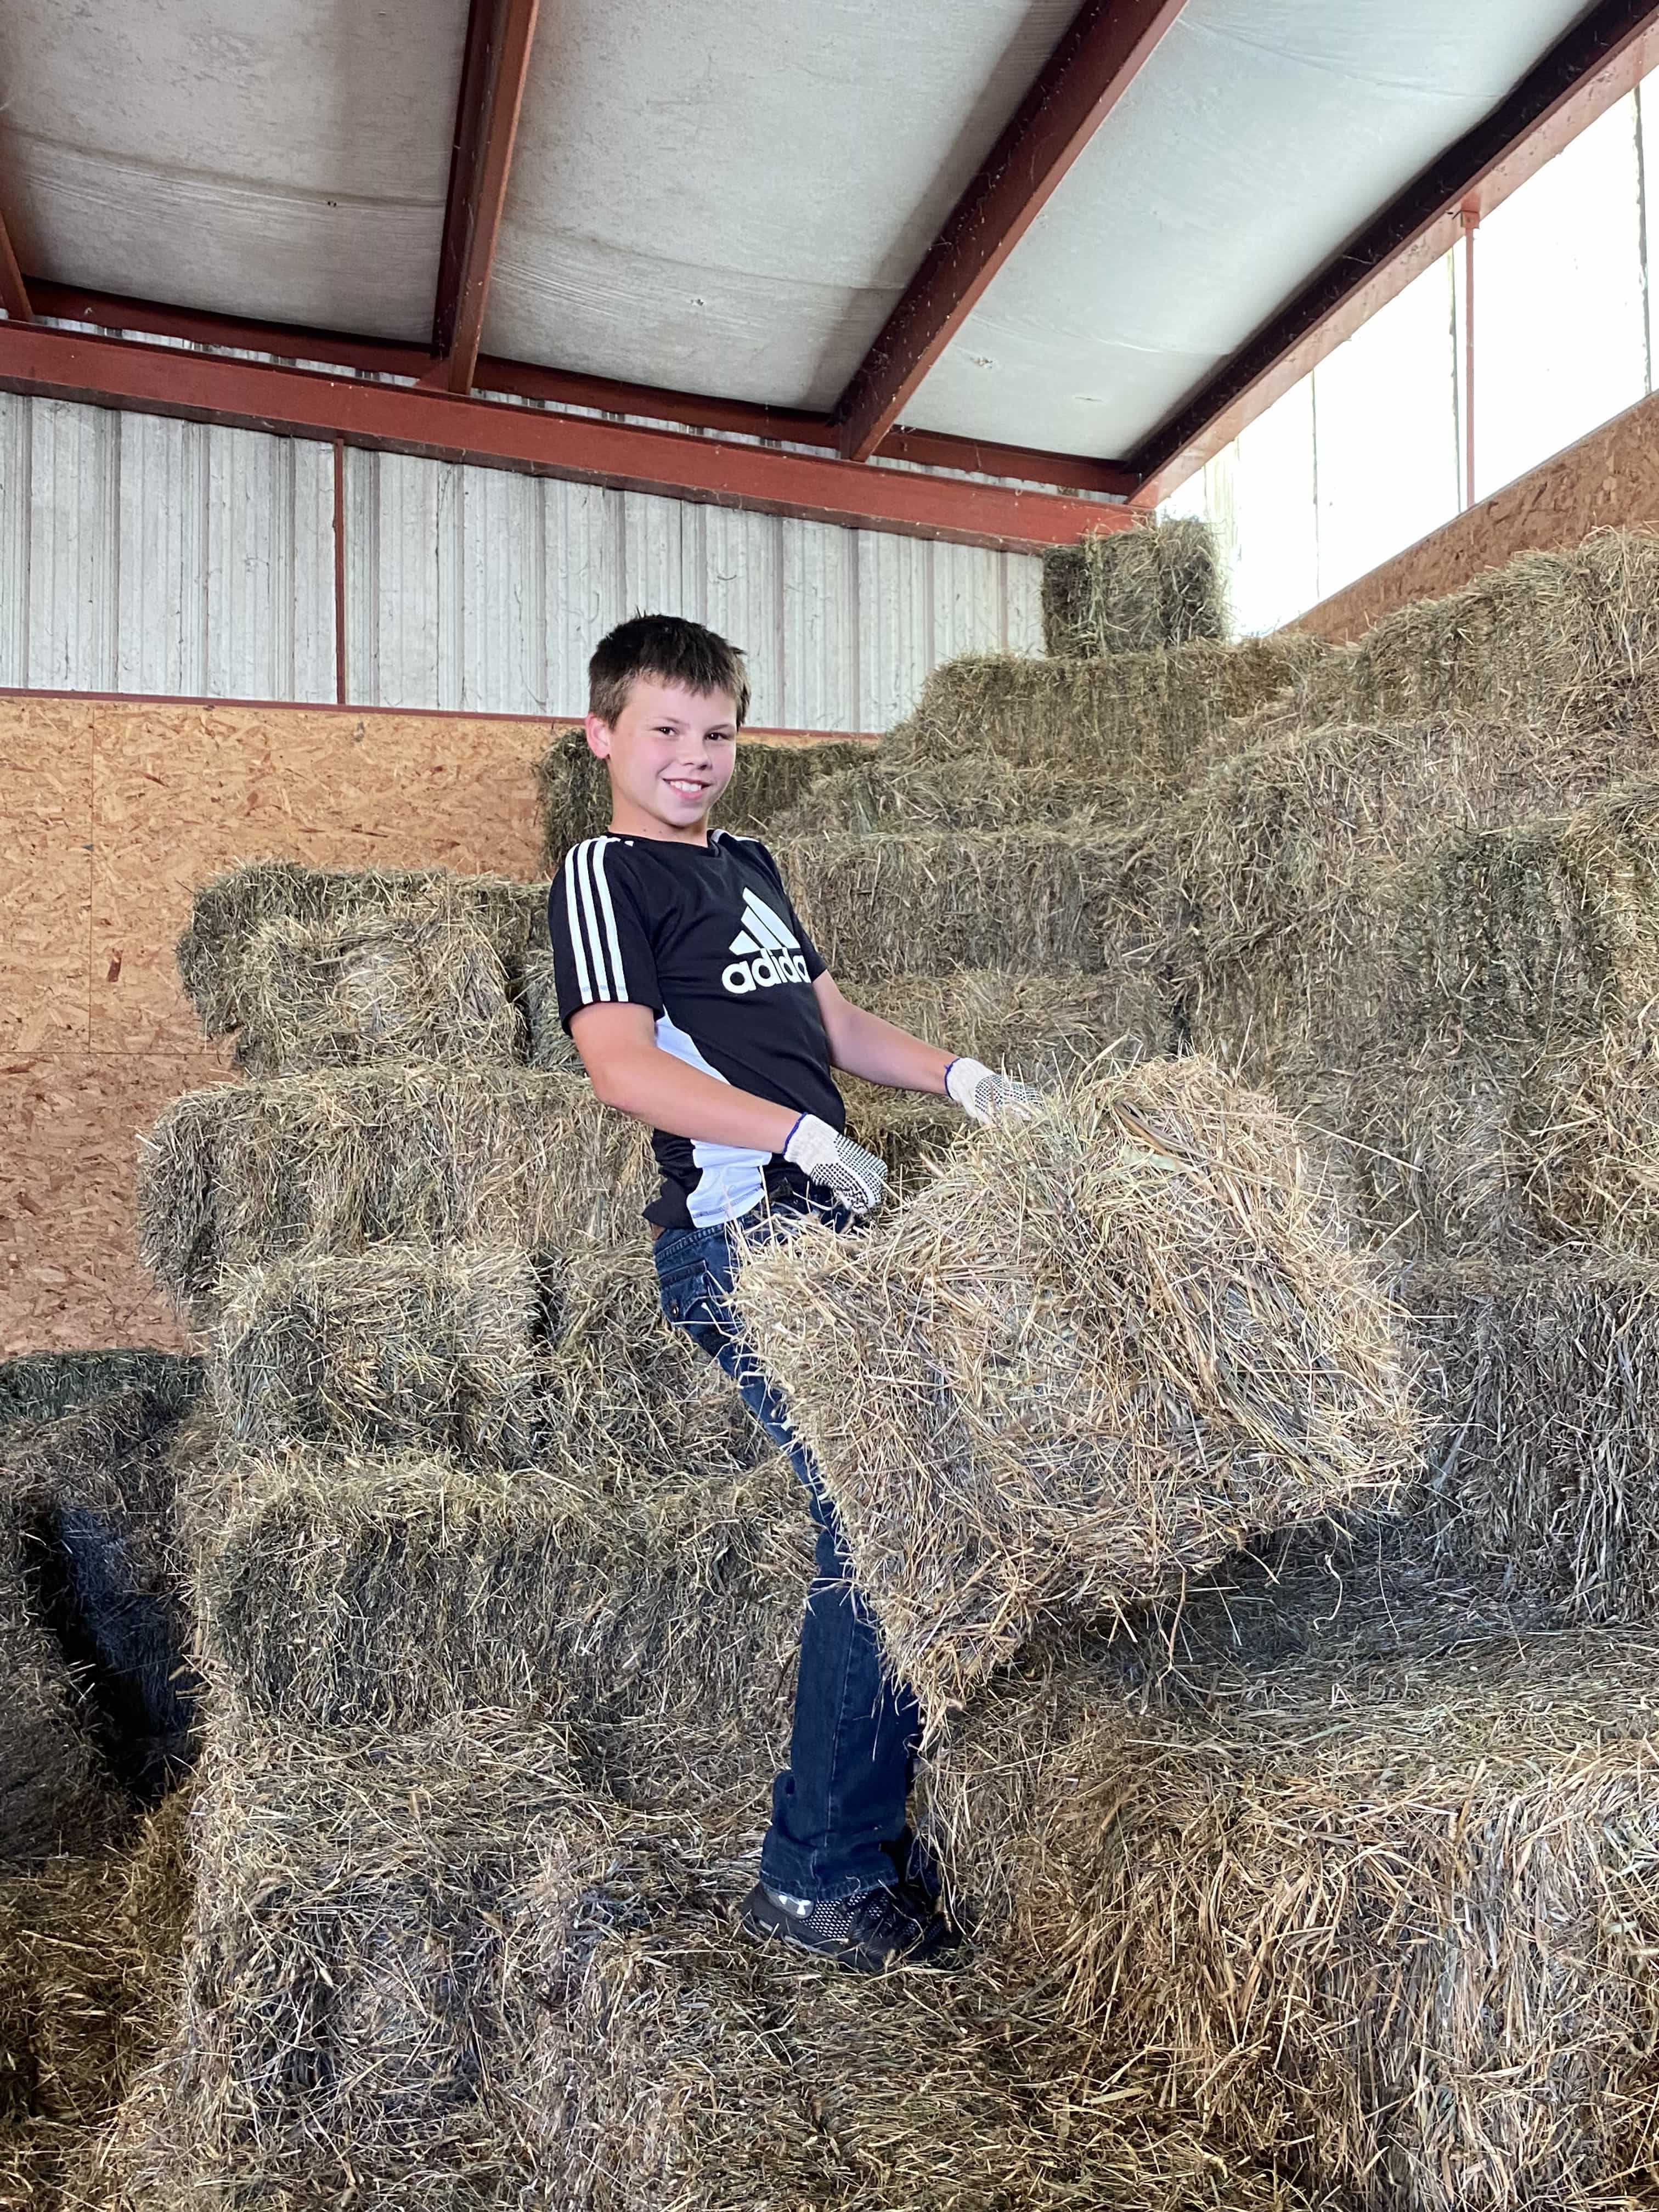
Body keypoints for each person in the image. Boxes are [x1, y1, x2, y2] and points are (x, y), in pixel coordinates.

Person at [548, 613, 1036, 1974]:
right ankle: (818, 1873)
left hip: (826, 1235)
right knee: (879, 1516)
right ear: (603, 736)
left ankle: (862, 1838)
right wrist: (791, 1134)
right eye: (665, 732)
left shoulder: (749, 865)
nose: (695, 759)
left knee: (919, 1503)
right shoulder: (605, 874)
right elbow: (622, 1068)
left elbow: (834, 1027)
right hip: (740, 1242)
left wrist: (959, 1080)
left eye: (718, 734)